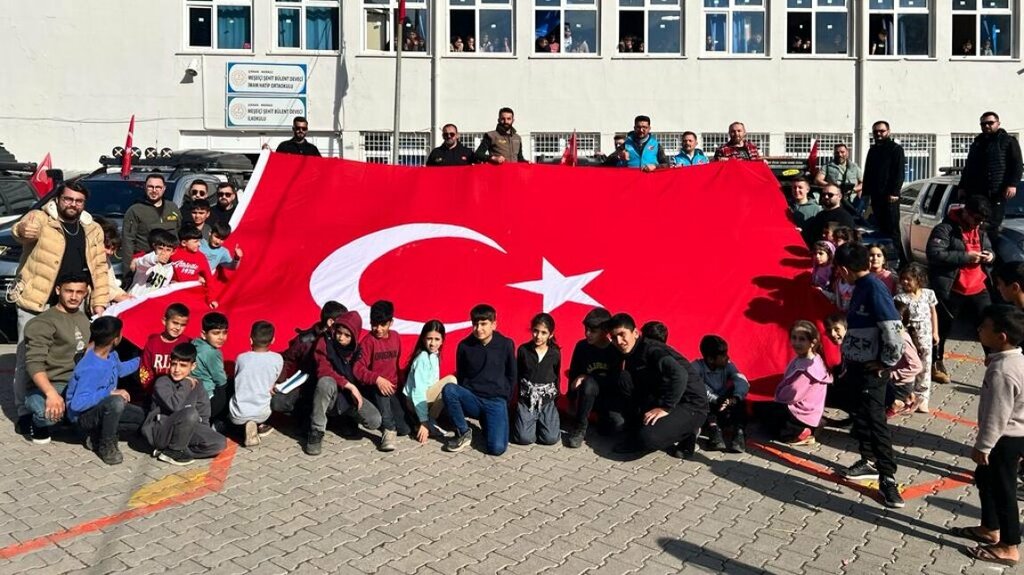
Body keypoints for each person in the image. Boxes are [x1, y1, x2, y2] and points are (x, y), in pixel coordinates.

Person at [10, 181, 109, 431]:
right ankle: (24, 413)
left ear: (84, 204)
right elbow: (19, 231)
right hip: (37, 301)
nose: (73, 204)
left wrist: (98, 301)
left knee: (74, 354)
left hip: (75, 302)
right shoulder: (41, 218)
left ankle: (66, 402)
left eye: (78, 201)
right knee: (26, 359)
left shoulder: (92, 228)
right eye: (68, 199)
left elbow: (99, 268)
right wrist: (24, 229)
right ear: (59, 199)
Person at [833, 243, 906, 509]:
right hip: (856, 366)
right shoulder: (861, 286)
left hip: (871, 371)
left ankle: (887, 478)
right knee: (860, 413)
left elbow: (893, 330)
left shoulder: (874, 289)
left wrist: (885, 362)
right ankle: (867, 460)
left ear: (843, 269)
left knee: (876, 421)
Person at [953, 305, 1024, 567]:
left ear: (1001, 336)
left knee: (1004, 490)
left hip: (1004, 439)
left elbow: (998, 414)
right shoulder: (1013, 360)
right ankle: (989, 527)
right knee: (985, 478)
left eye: (984, 327)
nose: (978, 330)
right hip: (1009, 435)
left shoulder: (1002, 372)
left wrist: (983, 446)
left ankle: (1009, 545)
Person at [606, 313, 708, 459]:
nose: (619, 341)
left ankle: (689, 431)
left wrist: (665, 407)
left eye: (622, 335)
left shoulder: (653, 350)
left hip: (691, 405)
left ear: (635, 333)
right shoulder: (629, 350)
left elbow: (680, 375)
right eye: (614, 337)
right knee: (624, 380)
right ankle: (649, 429)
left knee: (648, 438)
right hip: (663, 395)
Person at [927, 195, 995, 384]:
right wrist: (965, 257)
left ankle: (994, 364)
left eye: (981, 221)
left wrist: (990, 256)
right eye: (976, 219)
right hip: (952, 287)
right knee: (943, 327)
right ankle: (936, 362)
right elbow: (934, 254)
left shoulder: (980, 229)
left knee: (988, 325)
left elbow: (989, 247)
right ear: (966, 212)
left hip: (978, 286)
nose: (978, 224)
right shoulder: (945, 229)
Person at [20, 274, 92, 444]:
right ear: (58, 290)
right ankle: (37, 423)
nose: (74, 297)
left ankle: (69, 418)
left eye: (79, 292)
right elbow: (34, 363)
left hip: (76, 384)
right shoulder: (42, 322)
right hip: (48, 385)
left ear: (86, 293)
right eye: (69, 291)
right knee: (48, 416)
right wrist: (51, 394)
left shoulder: (83, 318)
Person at [64, 316, 145, 465]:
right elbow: (77, 403)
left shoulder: (112, 355)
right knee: (115, 402)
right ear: (116, 338)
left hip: (102, 408)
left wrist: (144, 358)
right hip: (83, 417)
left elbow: (120, 370)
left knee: (144, 420)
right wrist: (109, 393)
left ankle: (98, 434)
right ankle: (106, 444)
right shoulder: (90, 366)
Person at [442, 304, 516, 456]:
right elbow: (461, 375)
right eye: (475, 324)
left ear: (494, 324)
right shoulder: (464, 346)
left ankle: (489, 421)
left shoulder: (506, 344)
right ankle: (464, 432)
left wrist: (504, 400)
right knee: (449, 389)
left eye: (483, 324)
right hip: (473, 399)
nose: (479, 328)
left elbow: (512, 375)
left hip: (495, 401)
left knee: (497, 449)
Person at [307, 311, 381, 456]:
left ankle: (343, 419)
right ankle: (316, 431)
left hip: (347, 399)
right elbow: (324, 370)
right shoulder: (324, 341)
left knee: (374, 420)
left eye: (347, 336)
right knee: (326, 382)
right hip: (329, 394)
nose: (341, 338)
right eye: (339, 332)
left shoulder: (357, 350)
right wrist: (350, 386)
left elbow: (361, 372)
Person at [141, 342, 227, 466]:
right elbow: (175, 406)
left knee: (219, 442)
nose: (177, 369)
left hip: (186, 431)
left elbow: (204, 414)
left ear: (193, 367)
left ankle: (174, 451)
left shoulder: (198, 384)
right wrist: (186, 383)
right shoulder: (162, 382)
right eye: (174, 364)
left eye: (183, 365)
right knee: (190, 413)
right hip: (161, 431)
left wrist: (205, 434)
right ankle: (173, 451)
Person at [758, 320, 832, 445]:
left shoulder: (808, 369)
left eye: (802, 339)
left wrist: (778, 397)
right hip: (808, 410)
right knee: (765, 409)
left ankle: (801, 433)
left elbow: (793, 393)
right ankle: (808, 427)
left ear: (812, 342)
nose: (796, 343)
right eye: (794, 338)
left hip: (801, 412)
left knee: (764, 414)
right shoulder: (810, 358)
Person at [271, 301, 348, 416]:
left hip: (331, 384)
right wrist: (278, 382)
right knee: (278, 402)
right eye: (342, 321)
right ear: (330, 322)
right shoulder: (305, 340)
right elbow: (288, 360)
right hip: (304, 383)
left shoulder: (343, 339)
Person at [354, 300, 410, 452]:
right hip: (374, 388)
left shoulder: (396, 338)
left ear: (391, 323)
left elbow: (397, 366)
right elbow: (357, 369)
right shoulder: (367, 342)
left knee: (404, 429)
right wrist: (377, 379)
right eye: (374, 324)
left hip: (393, 388)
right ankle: (388, 431)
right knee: (382, 391)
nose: (378, 329)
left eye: (382, 325)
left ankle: (390, 422)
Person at [565, 307, 624, 448]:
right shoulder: (582, 347)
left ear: (605, 332)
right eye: (586, 329)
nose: (587, 334)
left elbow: (615, 381)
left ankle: (600, 419)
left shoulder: (614, 351)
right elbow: (574, 374)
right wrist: (571, 399)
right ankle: (580, 428)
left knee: (615, 426)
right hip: (586, 394)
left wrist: (587, 376)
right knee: (589, 383)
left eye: (593, 331)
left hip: (606, 397)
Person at [957, 111, 1023, 235]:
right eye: (983, 124)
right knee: (973, 225)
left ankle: (989, 252)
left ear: (998, 123)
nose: (986, 126)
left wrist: (1012, 184)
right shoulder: (977, 143)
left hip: (997, 192)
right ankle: (976, 251)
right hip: (976, 192)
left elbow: (1017, 164)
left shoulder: (1008, 141)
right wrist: (962, 186)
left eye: (990, 123)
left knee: (991, 225)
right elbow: (968, 168)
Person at [229, 321, 282, 447]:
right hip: (263, 413)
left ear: (250, 339)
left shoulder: (241, 358)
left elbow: (237, 377)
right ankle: (259, 424)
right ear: (273, 340)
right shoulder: (277, 359)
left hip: (238, 413)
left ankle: (243, 426)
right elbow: (275, 380)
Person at [894, 263, 939, 411]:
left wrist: (935, 332)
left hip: (925, 333)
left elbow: (933, 313)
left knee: (926, 364)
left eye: (909, 279)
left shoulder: (928, 294)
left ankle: (923, 397)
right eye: (903, 279)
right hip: (908, 334)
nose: (905, 282)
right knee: (911, 363)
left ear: (919, 280)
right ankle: (909, 395)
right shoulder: (900, 298)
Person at [404, 320, 456, 444]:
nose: (432, 343)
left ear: (442, 340)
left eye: (437, 339)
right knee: (451, 381)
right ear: (423, 339)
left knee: (449, 388)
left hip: (425, 399)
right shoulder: (422, 357)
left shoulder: (435, 355)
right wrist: (424, 422)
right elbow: (418, 391)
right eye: (429, 339)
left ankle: (429, 420)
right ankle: (426, 421)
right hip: (415, 401)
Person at [694, 335, 749, 453]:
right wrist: (717, 400)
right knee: (699, 398)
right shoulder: (696, 367)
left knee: (741, 400)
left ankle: (739, 433)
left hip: (726, 405)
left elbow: (740, 379)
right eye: (723, 356)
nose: (727, 357)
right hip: (709, 407)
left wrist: (735, 398)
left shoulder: (728, 365)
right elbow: (698, 387)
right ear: (710, 359)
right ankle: (713, 430)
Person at [513, 313, 561, 446]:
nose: (538, 336)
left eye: (544, 333)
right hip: (526, 400)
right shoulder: (523, 350)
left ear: (550, 334)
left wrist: (555, 401)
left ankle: (545, 422)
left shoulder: (555, 353)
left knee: (550, 439)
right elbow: (518, 375)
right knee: (524, 438)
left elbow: (557, 377)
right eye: (535, 331)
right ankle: (526, 423)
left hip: (547, 400)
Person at [862, 121, 906, 263]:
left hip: (890, 198)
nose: (879, 134)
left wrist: (895, 192)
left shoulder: (895, 149)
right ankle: (881, 259)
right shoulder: (873, 150)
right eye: (876, 132)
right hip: (876, 197)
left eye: (882, 131)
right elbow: (868, 173)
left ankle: (898, 260)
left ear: (888, 131)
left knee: (892, 230)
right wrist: (866, 194)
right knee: (879, 228)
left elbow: (899, 173)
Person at [121, 174, 182, 264]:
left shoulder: (172, 208)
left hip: (171, 262)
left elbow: (179, 231)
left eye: (158, 187)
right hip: (145, 262)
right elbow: (128, 242)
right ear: (145, 188)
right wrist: (128, 271)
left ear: (164, 188)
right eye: (150, 187)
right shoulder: (135, 210)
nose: (154, 190)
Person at [138, 303, 191, 406]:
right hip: (155, 393)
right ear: (164, 321)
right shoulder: (152, 343)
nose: (178, 328)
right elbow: (145, 370)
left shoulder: (187, 342)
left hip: (179, 393)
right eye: (175, 323)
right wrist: (151, 389)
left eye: (183, 325)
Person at [887, 301, 924, 416]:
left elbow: (917, 366)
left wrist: (894, 374)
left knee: (880, 410)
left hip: (901, 385)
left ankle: (897, 405)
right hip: (897, 383)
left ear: (900, 318)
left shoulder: (902, 338)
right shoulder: (895, 335)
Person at [170, 225, 221, 308]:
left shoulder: (201, 257)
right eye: (195, 241)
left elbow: (209, 280)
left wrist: (211, 299)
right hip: (173, 295)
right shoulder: (172, 253)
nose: (199, 244)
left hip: (192, 297)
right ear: (184, 243)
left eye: (199, 241)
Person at [192, 312, 230, 422]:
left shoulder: (195, 344)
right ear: (204, 334)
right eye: (216, 333)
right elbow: (220, 379)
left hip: (194, 394)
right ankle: (221, 421)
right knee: (230, 386)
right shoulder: (212, 353)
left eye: (224, 332)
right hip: (209, 398)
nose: (221, 337)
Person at [606, 116, 671, 172]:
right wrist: (619, 157)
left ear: (649, 128)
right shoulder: (626, 144)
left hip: (650, 182)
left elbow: (667, 165)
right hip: (631, 182)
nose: (641, 130)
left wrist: (655, 166)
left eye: (644, 127)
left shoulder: (656, 145)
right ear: (634, 128)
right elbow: (608, 162)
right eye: (638, 127)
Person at [815, 144, 863, 214]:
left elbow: (863, 183)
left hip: (851, 201)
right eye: (837, 153)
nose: (840, 154)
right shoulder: (827, 166)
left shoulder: (854, 167)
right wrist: (833, 187)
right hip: (834, 200)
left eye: (842, 152)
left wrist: (853, 189)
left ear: (847, 152)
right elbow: (818, 179)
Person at [128, 230, 177, 297]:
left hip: (150, 302)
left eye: (168, 250)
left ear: (173, 252)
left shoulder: (169, 269)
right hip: (134, 299)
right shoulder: (148, 259)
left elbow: (163, 289)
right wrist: (156, 259)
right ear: (154, 247)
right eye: (160, 248)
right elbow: (142, 262)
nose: (163, 252)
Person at [94, 217, 131, 304]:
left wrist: (124, 295)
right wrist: (117, 296)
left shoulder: (106, 260)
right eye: (107, 247)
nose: (110, 252)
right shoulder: (90, 260)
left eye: (113, 249)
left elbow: (111, 283)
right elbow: (97, 285)